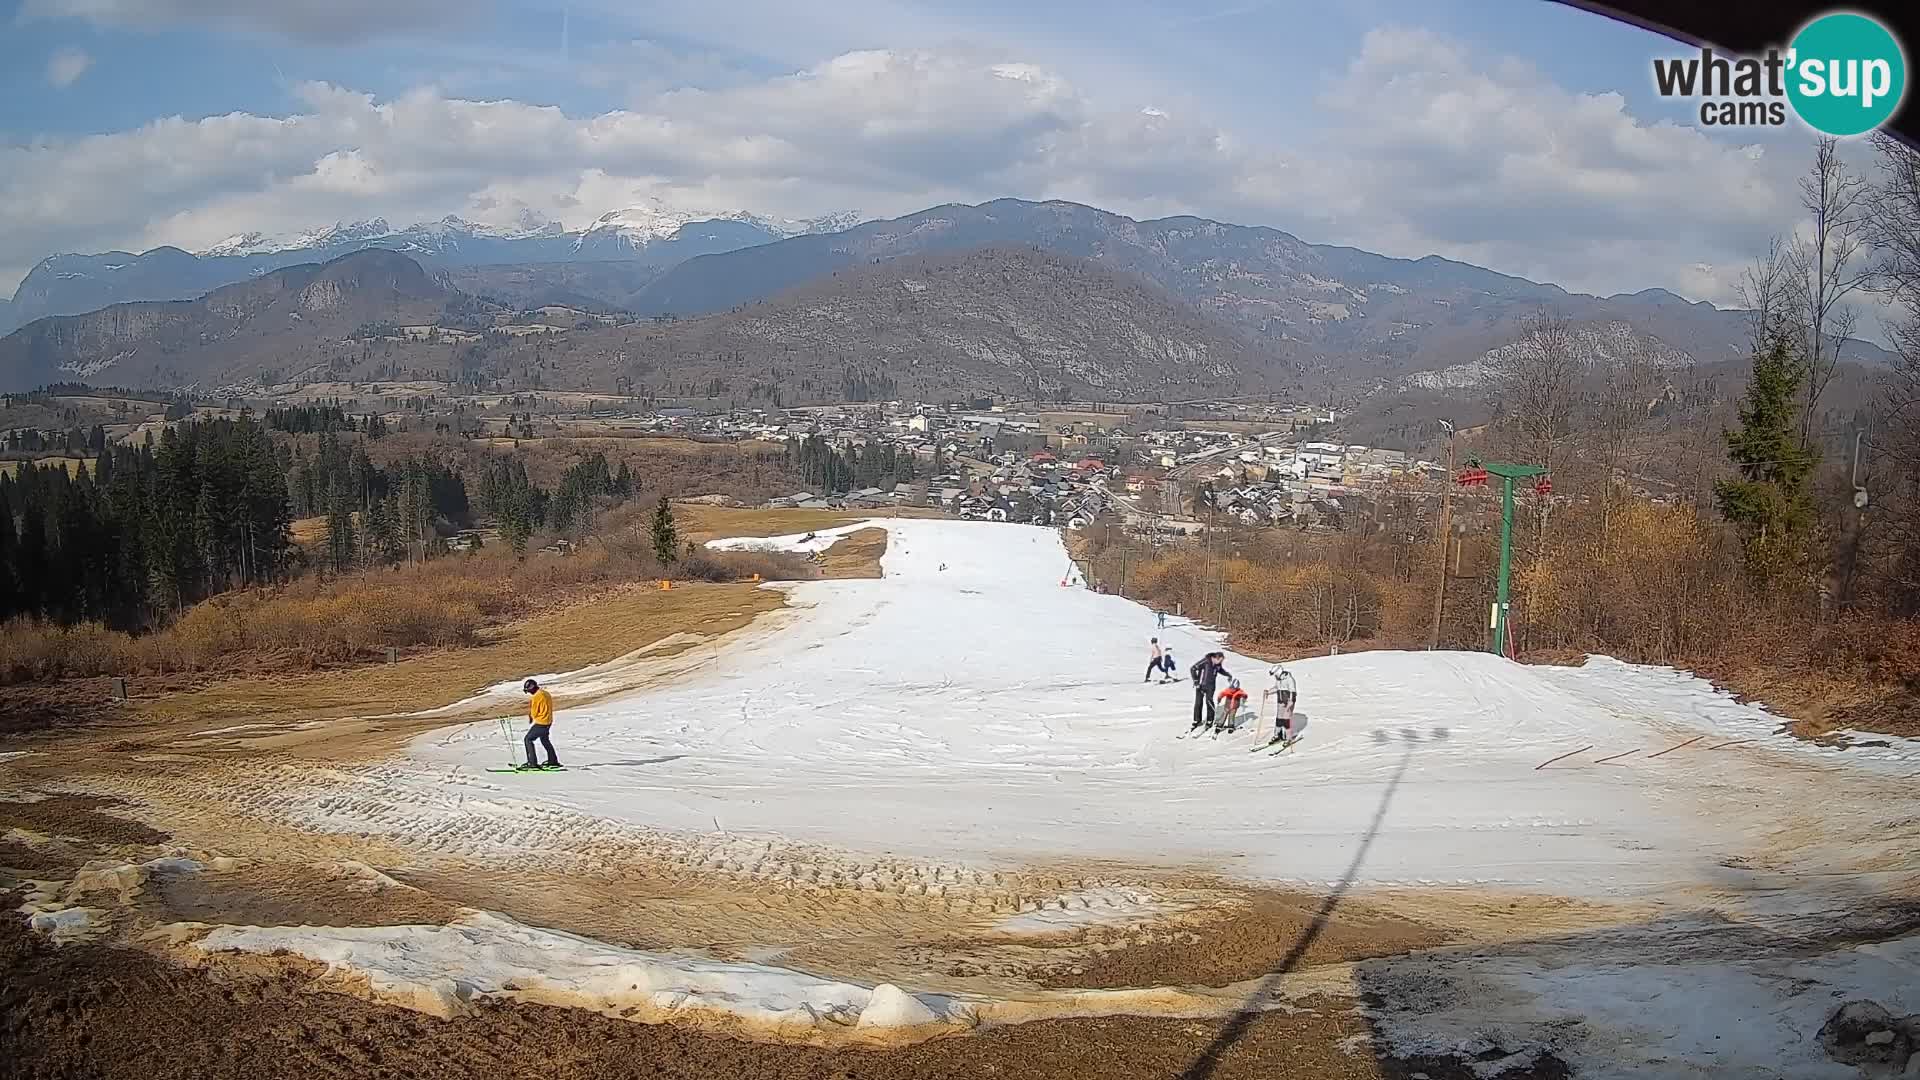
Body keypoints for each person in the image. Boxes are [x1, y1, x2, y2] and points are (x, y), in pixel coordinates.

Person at [1189, 651, 1233, 732]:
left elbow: (1220, 670)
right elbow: (1193, 668)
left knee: (1209, 702)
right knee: (1198, 702)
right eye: (1220, 660)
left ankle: (1210, 720)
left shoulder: (1217, 664)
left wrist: (1228, 674)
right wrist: (1196, 681)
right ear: (1216, 658)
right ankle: (1197, 720)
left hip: (1211, 686)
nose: (1220, 662)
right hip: (1200, 685)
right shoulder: (1206, 661)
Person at [522, 678, 559, 769]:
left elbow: (534, 713)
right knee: (545, 740)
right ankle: (553, 761)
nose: (529, 693)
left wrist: (531, 716)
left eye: (529, 690)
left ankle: (532, 763)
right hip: (548, 722)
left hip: (541, 723)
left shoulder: (536, 697)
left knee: (528, 739)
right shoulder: (545, 693)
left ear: (532, 688)